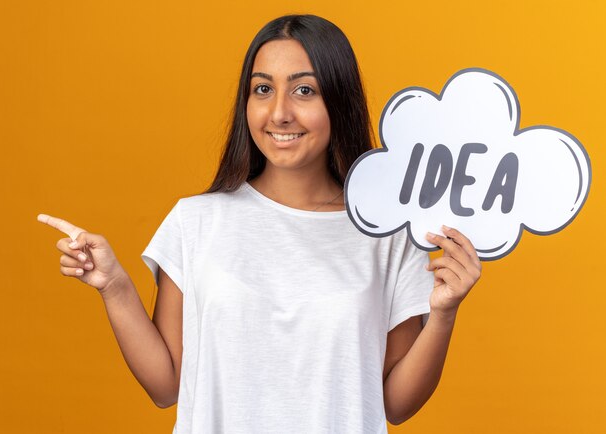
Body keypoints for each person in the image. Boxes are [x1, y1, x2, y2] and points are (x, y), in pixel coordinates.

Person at [38, 14, 481, 434]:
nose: (279, 113)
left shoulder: (387, 235)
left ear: (339, 100)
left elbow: (395, 405)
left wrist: (443, 314)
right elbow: (165, 385)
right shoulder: (196, 221)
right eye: (263, 89)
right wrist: (114, 286)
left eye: (304, 91)